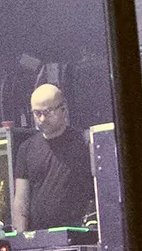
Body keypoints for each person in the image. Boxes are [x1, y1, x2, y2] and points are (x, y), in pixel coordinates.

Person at [11, 83, 93, 232]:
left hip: (77, 233)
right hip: (39, 237)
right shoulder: (26, 149)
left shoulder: (85, 142)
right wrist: (22, 241)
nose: (42, 119)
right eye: (37, 113)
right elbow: (21, 201)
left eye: (48, 112)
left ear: (63, 110)